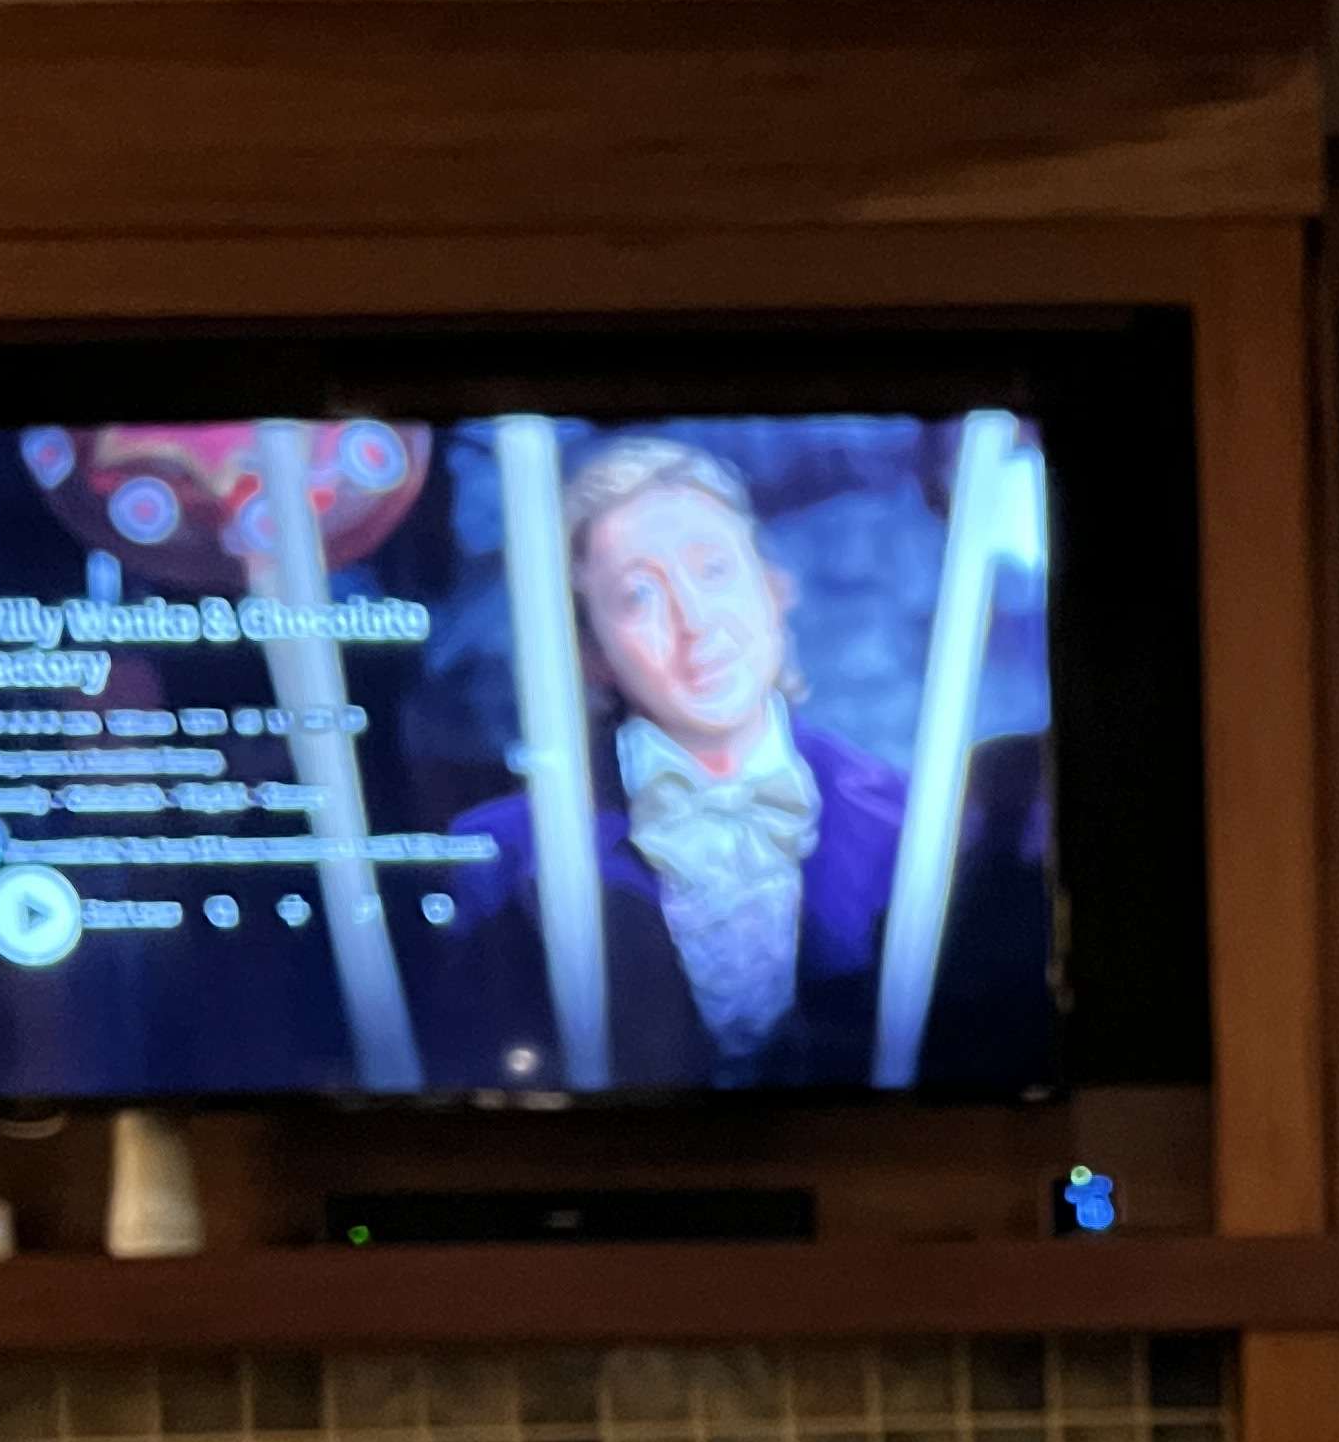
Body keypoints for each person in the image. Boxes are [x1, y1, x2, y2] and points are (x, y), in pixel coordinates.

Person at [432, 434, 1050, 1094]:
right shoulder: (497, 862)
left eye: (714, 570)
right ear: (593, 654)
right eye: (639, 595)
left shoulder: (924, 831)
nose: (695, 621)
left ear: (774, 587)